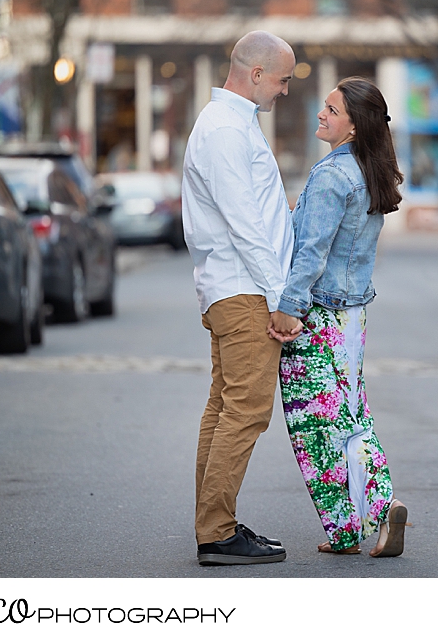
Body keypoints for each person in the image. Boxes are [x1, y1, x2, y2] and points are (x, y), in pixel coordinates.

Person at [268, 76, 409, 558]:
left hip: (320, 318)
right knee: (350, 414)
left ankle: (367, 512)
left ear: (353, 124)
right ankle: (356, 524)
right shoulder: (367, 169)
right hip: (352, 319)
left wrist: (290, 308)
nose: (321, 115)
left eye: (331, 109)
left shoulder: (332, 175)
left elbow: (311, 252)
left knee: (314, 426)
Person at [182, 30, 299, 566]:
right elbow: (245, 223)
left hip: (232, 287)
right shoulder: (227, 130)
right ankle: (217, 533)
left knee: (224, 408)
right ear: (255, 74)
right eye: (282, 80)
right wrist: (279, 299)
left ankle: (215, 524)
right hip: (245, 290)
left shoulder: (228, 124)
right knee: (246, 411)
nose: (285, 92)